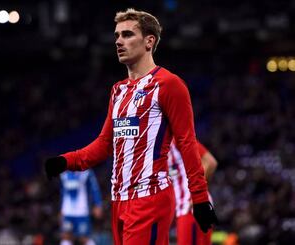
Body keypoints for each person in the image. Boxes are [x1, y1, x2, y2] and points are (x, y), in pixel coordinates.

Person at [45, 8, 218, 245]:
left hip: (150, 197)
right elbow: (104, 145)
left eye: (127, 35)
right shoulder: (118, 91)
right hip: (119, 201)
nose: (118, 41)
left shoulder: (169, 84)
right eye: (117, 35)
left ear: (149, 41)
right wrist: (66, 161)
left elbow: (187, 143)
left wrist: (199, 199)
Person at [168, 140, 218, 245]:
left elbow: (210, 162)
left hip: (191, 207)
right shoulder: (159, 143)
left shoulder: (177, 139)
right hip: (186, 208)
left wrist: (196, 194)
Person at [59, 169, 103, 245]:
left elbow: (94, 188)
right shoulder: (63, 172)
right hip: (67, 211)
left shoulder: (86, 171)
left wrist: (97, 204)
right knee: (66, 236)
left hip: (82, 211)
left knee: (83, 238)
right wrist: (61, 208)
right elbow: (63, 191)